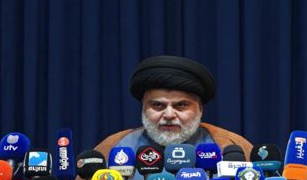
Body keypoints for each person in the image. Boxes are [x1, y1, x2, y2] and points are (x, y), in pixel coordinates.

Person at [94, 55, 253, 165]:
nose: (169, 115)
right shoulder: (114, 147)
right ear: (143, 106)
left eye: (181, 105)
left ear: (200, 109)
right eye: (158, 105)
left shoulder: (232, 146)